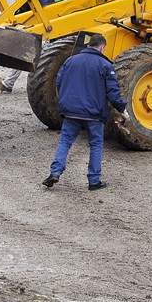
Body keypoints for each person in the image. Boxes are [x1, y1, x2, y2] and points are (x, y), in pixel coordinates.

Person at [42, 33, 128, 191]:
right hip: (93, 114)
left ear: (88, 45)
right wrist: (122, 108)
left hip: (70, 111)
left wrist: (66, 101)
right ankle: (94, 181)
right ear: (102, 48)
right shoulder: (105, 65)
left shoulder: (70, 61)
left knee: (65, 142)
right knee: (95, 144)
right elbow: (113, 93)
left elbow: (59, 82)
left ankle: (55, 172)